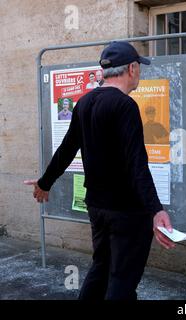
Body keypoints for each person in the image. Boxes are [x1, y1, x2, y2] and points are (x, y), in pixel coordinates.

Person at [24, 41, 175, 300]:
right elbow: (137, 164)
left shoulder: (84, 103)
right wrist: (156, 209)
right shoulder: (125, 106)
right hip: (127, 211)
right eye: (139, 68)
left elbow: (66, 149)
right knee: (122, 280)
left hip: (98, 208)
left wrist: (45, 182)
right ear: (132, 68)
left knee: (101, 267)